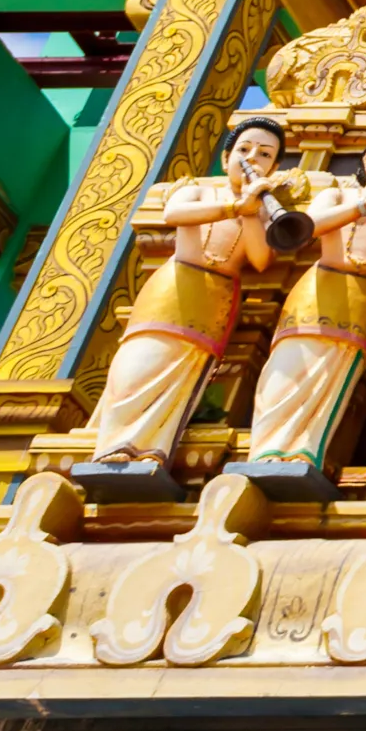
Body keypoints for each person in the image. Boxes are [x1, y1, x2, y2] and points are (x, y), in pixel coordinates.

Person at [87, 115, 286, 472]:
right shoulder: (199, 190)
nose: (252, 158)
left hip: (216, 299)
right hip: (173, 287)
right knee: (140, 363)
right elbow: (175, 212)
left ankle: (153, 447)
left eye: (264, 154)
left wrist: (252, 212)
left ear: (274, 167)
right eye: (244, 149)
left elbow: (259, 259)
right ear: (226, 159)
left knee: (185, 375)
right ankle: (114, 443)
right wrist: (232, 207)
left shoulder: (261, 212)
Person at [239, 113, 366, 481]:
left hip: (362, 303)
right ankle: (265, 451)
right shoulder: (337, 194)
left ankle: (302, 455)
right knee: (287, 373)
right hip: (316, 293)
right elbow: (308, 229)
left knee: (332, 382)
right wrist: (363, 205)